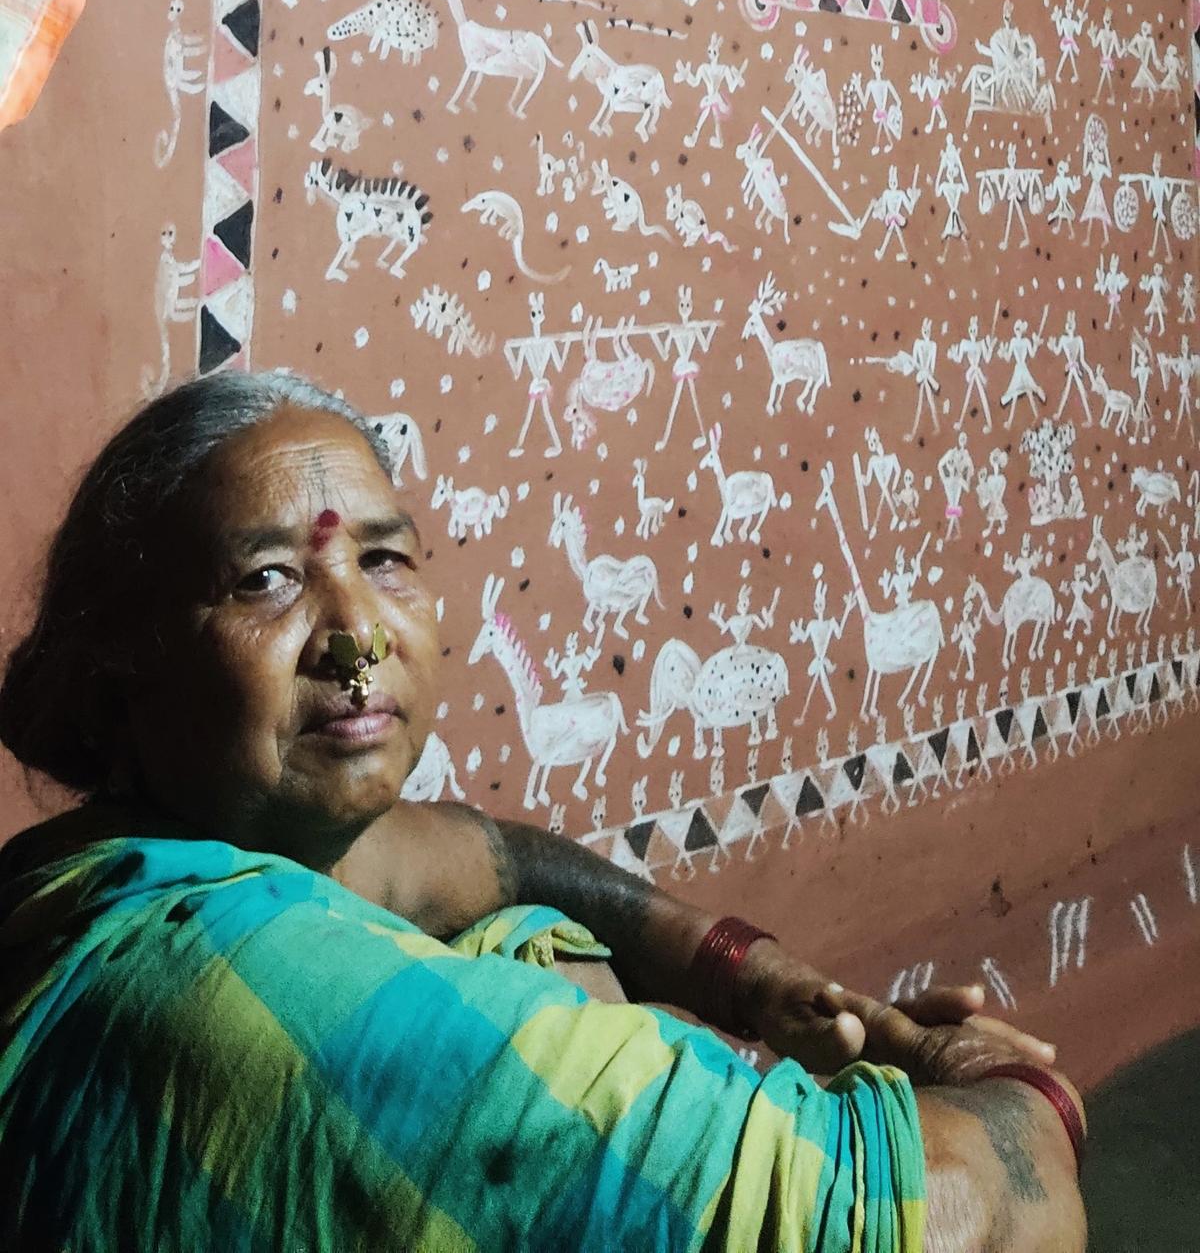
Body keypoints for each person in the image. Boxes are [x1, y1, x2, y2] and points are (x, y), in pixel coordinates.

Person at [0, 372, 1086, 1251]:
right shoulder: (302, 1008)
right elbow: (981, 1214)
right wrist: (1007, 1081)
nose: (359, 634)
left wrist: (741, 970)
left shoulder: (101, 867)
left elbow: (477, 854)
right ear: (119, 669)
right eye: (268, 580)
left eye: (383, 559)